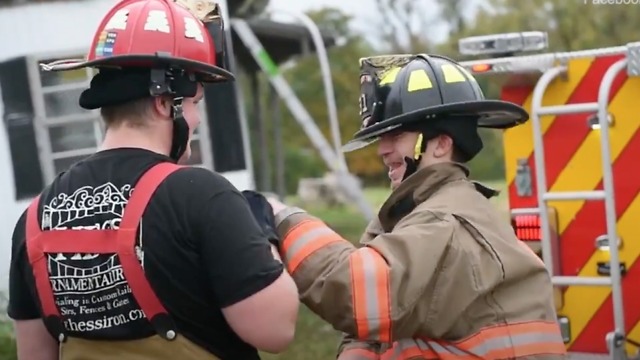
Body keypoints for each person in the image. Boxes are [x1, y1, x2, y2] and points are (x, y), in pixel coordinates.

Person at [7, 0, 299, 359]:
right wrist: (262, 233)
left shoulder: (34, 219)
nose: (198, 120)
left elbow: (34, 355)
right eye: (196, 103)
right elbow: (276, 329)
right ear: (165, 103)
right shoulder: (201, 196)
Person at [258, 54, 568, 359]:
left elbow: (355, 290)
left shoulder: (443, 222)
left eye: (397, 134)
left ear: (441, 144)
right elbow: (395, 320)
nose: (382, 149)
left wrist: (281, 218)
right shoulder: (443, 210)